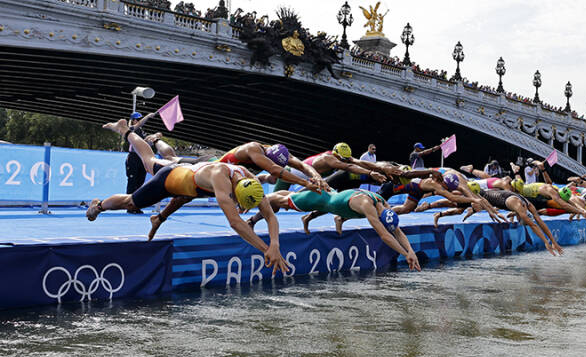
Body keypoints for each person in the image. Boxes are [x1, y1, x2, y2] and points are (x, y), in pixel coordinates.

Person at [86, 118, 289, 275]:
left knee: (170, 162)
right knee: (133, 196)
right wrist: (265, 249)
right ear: (235, 192)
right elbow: (235, 223)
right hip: (172, 179)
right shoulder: (221, 179)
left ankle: (143, 136)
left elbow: (270, 216)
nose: (238, 207)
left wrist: (275, 245)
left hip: (190, 175)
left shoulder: (250, 180)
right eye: (238, 203)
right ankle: (100, 204)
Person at [259, 189, 421, 271]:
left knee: (292, 195)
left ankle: (337, 219)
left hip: (334, 198)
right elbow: (385, 236)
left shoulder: (384, 205)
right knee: (282, 200)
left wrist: (411, 251)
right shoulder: (368, 206)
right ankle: (256, 199)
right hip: (321, 200)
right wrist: (405, 254)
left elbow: (397, 231)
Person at [125, 112, 156, 214]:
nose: (138, 121)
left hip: (141, 158)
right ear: (133, 120)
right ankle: (129, 206)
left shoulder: (142, 132)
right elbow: (136, 126)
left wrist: (154, 138)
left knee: (140, 183)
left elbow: (147, 142)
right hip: (133, 158)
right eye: (137, 119)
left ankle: (136, 205)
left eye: (139, 119)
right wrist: (147, 117)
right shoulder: (130, 129)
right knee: (132, 182)